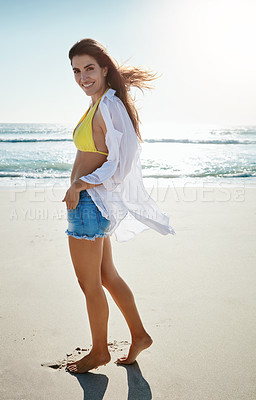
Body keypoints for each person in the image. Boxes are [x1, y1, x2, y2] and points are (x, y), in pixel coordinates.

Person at [62, 38, 175, 374]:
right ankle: (139, 335)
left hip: (87, 204)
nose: (83, 76)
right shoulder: (99, 102)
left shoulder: (109, 105)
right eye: (76, 71)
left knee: (90, 284)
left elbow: (120, 162)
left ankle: (99, 352)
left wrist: (81, 184)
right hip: (91, 203)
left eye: (89, 69)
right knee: (107, 275)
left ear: (104, 69)